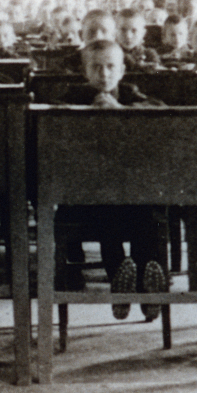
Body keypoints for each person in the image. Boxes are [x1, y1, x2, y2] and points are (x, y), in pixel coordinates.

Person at [55, 40, 167, 321]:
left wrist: (120, 109)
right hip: (88, 193)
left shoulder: (128, 93)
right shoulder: (75, 94)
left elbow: (159, 108)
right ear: (85, 72)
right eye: (96, 67)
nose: (104, 74)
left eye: (110, 67)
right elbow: (54, 113)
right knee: (109, 217)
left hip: (131, 192)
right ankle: (121, 278)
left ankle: (147, 285)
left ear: (122, 71)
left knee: (148, 214)